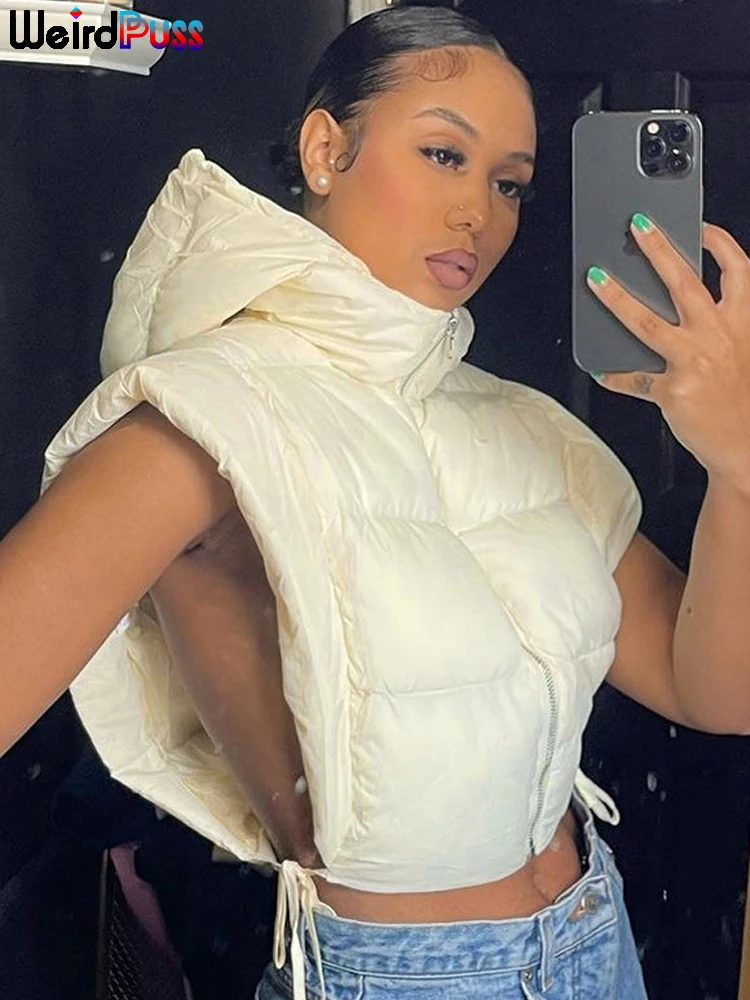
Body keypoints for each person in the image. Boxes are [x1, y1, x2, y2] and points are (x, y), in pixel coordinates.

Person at [3, 5, 750, 999]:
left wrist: (739, 465)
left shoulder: (525, 429)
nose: (478, 211)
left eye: (509, 183)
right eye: (443, 153)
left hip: (593, 935)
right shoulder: (200, 419)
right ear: (327, 150)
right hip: (402, 976)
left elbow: (714, 693)